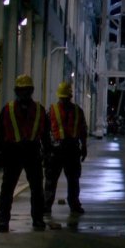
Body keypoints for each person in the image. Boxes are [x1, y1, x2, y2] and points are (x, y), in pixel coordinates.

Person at [0, 74, 50, 232]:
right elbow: (0, 133)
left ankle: (37, 219)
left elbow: (45, 134)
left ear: (31, 91)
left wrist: (47, 153)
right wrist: (1, 153)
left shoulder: (39, 110)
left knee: (36, 189)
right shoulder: (8, 109)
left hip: (32, 151)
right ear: (16, 91)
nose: (24, 93)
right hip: (13, 152)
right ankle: (3, 221)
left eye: (27, 90)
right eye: (22, 90)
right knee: (7, 189)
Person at [44, 82, 88, 215]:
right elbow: (45, 132)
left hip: (67, 149)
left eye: (65, 98)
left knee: (71, 180)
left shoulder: (55, 110)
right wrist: (46, 150)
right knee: (53, 180)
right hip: (60, 149)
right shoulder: (53, 111)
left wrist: (84, 146)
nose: (64, 100)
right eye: (63, 98)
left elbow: (82, 130)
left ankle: (71, 204)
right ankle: (49, 206)